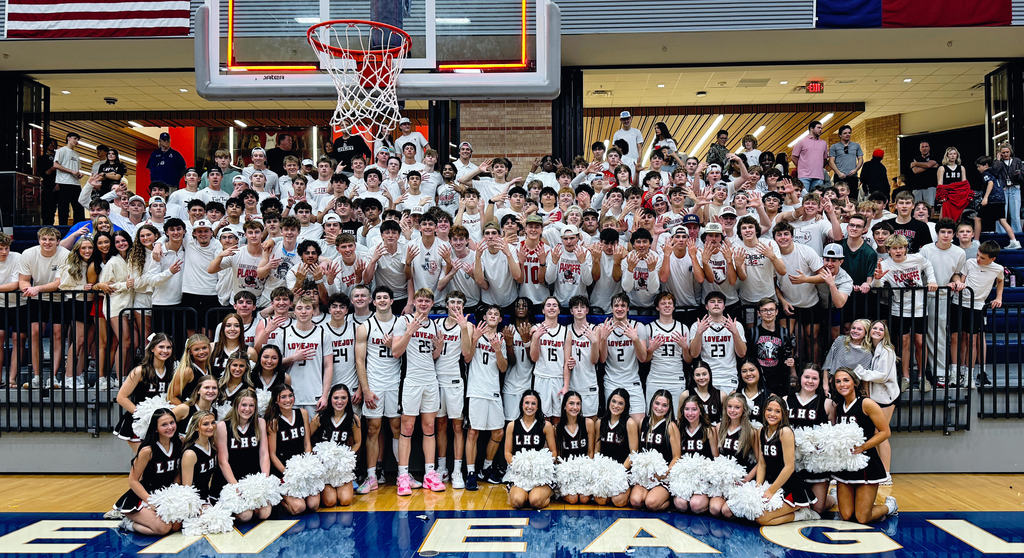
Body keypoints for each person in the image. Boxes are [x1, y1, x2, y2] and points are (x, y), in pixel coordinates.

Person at [391, 288, 445, 495]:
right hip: (411, 380)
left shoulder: (434, 324)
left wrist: (438, 348)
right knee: (408, 426)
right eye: (420, 300)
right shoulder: (403, 321)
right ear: (414, 303)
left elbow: (432, 357)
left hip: (430, 379)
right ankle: (403, 476)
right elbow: (396, 352)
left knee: (430, 425)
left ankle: (430, 474)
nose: (423, 304)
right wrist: (409, 332)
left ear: (432, 304)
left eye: (427, 301)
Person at [832, 368, 898, 523]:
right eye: (838, 381)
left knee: (862, 518)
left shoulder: (866, 403)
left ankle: (889, 506)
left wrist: (863, 447)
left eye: (846, 380)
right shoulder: (838, 407)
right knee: (847, 515)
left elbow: (885, 432)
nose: (842, 384)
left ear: (855, 382)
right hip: (845, 464)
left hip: (867, 463)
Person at [873, 234, 936, 391]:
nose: (898, 251)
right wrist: (877, 279)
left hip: (919, 308)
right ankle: (905, 377)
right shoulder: (886, 264)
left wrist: (932, 281)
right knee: (904, 343)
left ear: (906, 248)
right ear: (889, 250)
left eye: (901, 247)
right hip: (899, 310)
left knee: (921, 342)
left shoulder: (917, 259)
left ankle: (923, 377)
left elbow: (928, 265)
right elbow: (878, 286)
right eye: (894, 248)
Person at [355, 287, 402, 493]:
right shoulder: (365, 326)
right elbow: (359, 360)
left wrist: (395, 345)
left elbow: (408, 351)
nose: (382, 300)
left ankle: (403, 473)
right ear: (373, 302)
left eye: (386, 297)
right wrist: (365, 389)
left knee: (397, 428)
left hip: (396, 382)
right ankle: (372, 476)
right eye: (379, 298)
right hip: (374, 382)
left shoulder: (401, 323)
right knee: (373, 429)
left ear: (392, 300)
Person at [112, 408, 182, 535]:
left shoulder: (179, 444)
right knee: (163, 528)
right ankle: (128, 523)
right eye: (164, 425)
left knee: (176, 526)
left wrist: (176, 494)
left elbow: (177, 473)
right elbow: (133, 481)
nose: (170, 427)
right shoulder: (147, 450)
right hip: (144, 496)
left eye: (172, 422)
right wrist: (151, 501)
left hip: (165, 495)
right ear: (155, 428)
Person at [750, 396, 818, 525]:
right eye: (769, 410)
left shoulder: (785, 432)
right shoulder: (761, 431)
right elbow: (762, 464)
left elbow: (789, 467)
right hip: (771, 482)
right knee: (754, 513)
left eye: (777, 411)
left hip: (789, 486)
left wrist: (771, 491)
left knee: (762, 518)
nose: (772, 414)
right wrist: (758, 489)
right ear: (764, 411)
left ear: (783, 414)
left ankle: (803, 514)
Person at [463, 305, 508, 491]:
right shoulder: (475, 332)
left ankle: (486, 468)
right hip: (476, 389)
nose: (493, 316)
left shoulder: (501, 340)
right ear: (484, 316)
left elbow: (503, 368)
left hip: (493, 389)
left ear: (499, 320)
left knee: (498, 432)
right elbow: (467, 358)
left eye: (496, 314)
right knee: (473, 432)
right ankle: (471, 473)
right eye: (490, 313)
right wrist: (474, 340)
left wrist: (498, 349)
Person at [212, 390, 273, 522]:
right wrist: (237, 488)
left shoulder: (260, 422)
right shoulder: (223, 426)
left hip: (253, 479)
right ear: (236, 405)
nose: (247, 409)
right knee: (246, 516)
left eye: (251, 405)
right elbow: (223, 461)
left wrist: (264, 481)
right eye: (243, 405)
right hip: (232, 481)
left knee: (264, 513)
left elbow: (264, 454)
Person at [950, 240, 1004, 388]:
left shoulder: (997, 269)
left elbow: (1000, 281)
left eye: (983, 258)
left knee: (972, 340)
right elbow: (962, 280)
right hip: (959, 303)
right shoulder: (970, 263)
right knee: (955, 337)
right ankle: (955, 372)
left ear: (992, 259)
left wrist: (999, 297)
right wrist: (959, 285)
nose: (978, 259)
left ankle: (969, 375)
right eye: (978, 255)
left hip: (977, 306)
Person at [786, 364, 836, 515]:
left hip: (817, 463)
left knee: (818, 509)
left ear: (820, 381)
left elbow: (831, 434)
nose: (810, 381)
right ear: (800, 378)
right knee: (798, 504)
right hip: (793, 462)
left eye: (814, 378)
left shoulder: (827, 403)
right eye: (806, 377)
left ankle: (832, 498)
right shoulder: (786, 400)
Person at [433, 291, 470, 488]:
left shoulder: (468, 325)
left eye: (459, 302)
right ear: (446, 305)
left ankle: (457, 470)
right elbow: (431, 354)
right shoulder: (436, 325)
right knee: (440, 425)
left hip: (456, 379)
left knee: (457, 426)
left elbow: (466, 355)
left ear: (463, 306)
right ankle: (441, 468)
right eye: (452, 301)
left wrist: (464, 329)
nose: (455, 305)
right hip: (437, 379)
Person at [265, 384, 319, 515]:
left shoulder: (302, 413)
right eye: (283, 397)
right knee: (299, 507)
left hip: (302, 469)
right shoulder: (273, 421)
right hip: (284, 471)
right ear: (276, 401)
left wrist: (308, 466)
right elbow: (272, 454)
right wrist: (288, 474)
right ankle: (278, 500)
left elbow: (307, 443)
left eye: (290, 396)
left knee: (313, 505)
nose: (288, 400)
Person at [114, 334, 174, 452]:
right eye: (161, 347)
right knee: (143, 462)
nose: (165, 351)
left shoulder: (171, 371)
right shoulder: (140, 371)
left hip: (162, 422)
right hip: (139, 422)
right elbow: (121, 397)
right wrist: (144, 415)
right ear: (152, 349)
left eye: (168, 347)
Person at [599, 293, 649, 421]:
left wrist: (635, 339)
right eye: (616, 305)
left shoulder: (638, 327)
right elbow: (602, 359)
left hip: (632, 381)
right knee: (614, 423)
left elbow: (643, 358)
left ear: (628, 308)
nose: (619, 308)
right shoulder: (603, 327)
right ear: (611, 308)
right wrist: (604, 339)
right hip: (612, 381)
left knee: (639, 422)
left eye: (623, 305)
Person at [311, 383, 361, 507]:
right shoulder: (320, 418)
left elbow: (358, 442)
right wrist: (315, 455)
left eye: (343, 398)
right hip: (324, 468)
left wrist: (346, 457)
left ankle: (348, 484)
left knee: (345, 501)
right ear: (330, 399)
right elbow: (307, 438)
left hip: (341, 468)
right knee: (330, 502)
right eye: (336, 398)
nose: (339, 401)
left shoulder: (353, 419)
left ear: (348, 399)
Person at [710, 394, 758, 518]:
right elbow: (716, 457)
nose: (732, 410)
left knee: (726, 511)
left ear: (744, 410)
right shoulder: (719, 427)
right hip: (723, 481)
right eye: (729, 406)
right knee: (715, 509)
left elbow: (761, 461)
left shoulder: (751, 432)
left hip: (740, 481)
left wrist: (747, 478)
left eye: (737, 407)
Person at [688, 292, 746, 392]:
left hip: (728, 376)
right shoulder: (697, 326)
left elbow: (742, 353)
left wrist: (735, 332)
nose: (716, 304)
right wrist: (699, 333)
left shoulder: (736, 325)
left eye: (719, 302)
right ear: (706, 306)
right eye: (712, 302)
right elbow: (694, 354)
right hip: (706, 377)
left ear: (724, 306)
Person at [631, 389, 679, 512]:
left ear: (669, 407)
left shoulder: (671, 426)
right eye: (657, 403)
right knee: (636, 501)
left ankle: (670, 502)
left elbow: (677, 456)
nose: (659, 408)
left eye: (664, 405)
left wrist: (664, 474)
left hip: (662, 477)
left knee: (651, 503)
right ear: (652, 403)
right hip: (645, 475)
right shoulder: (643, 421)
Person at [643, 291, 689, 407]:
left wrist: (684, 347)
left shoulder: (683, 328)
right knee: (653, 416)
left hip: (676, 378)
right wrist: (651, 350)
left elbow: (688, 360)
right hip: (656, 378)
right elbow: (645, 360)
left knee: (676, 416)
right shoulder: (649, 328)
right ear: (657, 307)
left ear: (674, 307)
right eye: (663, 303)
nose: (667, 305)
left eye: (670, 303)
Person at [530, 297, 569, 419]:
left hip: (558, 377)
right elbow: (533, 358)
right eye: (548, 305)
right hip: (542, 377)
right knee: (543, 417)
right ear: (543, 310)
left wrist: (566, 385)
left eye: (554, 305)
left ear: (559, 310)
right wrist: (536, 338)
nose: (551, 307)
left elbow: (567, 361)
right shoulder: (536, 329)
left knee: (558, 417)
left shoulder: (566, 331)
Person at [555, 391, 596, 504]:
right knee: (572, 500)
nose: (575, 407)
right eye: (571, 403)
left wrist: (586, 472)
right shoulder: (557, 428)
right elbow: (558, 455)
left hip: (584, 471)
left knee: (584, 499)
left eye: (578, 404)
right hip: (567, 473)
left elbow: (590, 452)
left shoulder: (588, 423)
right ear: (564, 406)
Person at [749, 298, 796, 396]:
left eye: (771, 310)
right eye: (764, 310)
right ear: (759, 313)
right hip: (759, 379)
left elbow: (788, 355)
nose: (768, 313)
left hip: (779, 379)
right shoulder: (753, 332)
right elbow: (749, 356)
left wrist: (790, 363)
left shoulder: (784, 333)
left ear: (776, 312)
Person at [566, 295, 601, 417]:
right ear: (571, 311)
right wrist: (569, 361)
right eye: (576, 307)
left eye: (582, 307)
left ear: (587, 310)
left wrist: (595, 342)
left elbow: (595, 360)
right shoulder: (567, 330)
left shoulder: (595, 329)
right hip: (572, 382)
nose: (579, 310)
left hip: (589, 381)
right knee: (572, 420)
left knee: (592, 419)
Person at [180, 410, 218, 505]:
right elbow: (187, 489)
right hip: (194, 501)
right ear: (196, 427)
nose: (211, 426)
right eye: (205, 424)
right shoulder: (190, 454)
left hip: (207, 497)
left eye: (213, 422)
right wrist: (199, 506)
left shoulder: (212, 446)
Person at [53, 132, 85, 225]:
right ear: (68, 138)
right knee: (64, 208)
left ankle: (79, 228)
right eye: (74, 138)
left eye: (77, 139)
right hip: (64, 182)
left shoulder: (76, 154)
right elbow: (55, 165)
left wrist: (79, 174)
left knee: (79, 207)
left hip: (75, 183)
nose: (76, 141)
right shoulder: (61, 150)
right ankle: (63, 228)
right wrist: (71, 171)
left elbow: (76, 169)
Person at [681, 360, 724, 425]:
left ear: (710, 374)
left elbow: (725, 420)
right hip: (693, 433)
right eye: (698, 375)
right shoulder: (686, 395)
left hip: (714, 433)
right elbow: (680, 419)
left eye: (704, 374)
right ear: (693, 377)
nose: (701, 378)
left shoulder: (721, 395)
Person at [791, 120, 828, 192]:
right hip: (804, 176)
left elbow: (825, 159)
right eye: (818, 128)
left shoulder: (824, 143)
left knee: (817, 198)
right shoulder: (802, 141)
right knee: (803, 197)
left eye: (821, 128)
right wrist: (801, 167)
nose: (821, 130)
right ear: (811, 128)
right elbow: (794, 157)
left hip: (819, 176)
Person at [997, 142, 1024, 234]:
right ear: (1000, 153)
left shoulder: (1017, 161)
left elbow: (1022, 176)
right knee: (1001, 213)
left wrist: (1018, 174)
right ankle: (1000, 234)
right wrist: (997, 160)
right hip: (1002, 189)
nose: (1005, 154)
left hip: (1015, 188)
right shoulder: (998, 162)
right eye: (1003, 152)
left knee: (1015, 214)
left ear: (1010, 152)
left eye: (1007, 152)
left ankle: (1017, 234)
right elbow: (995, 173)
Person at [828, 125, 864, 194]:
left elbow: (860, 159)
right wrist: (838, 173)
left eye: (849, 133)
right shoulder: (834, 146)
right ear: (840, 135)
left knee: (853, 197)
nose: (847, 135)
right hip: (839, 177)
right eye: (845, 133)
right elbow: (831, 161)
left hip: (853, 176)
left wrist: (855, 170)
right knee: (838, 196)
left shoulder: (856, 145)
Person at [909, 140, 939, 206]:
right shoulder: (915, 158)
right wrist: (929, 166)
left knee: (930, 206)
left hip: (930, 186)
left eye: (926, 146)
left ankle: (930, 217)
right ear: (920, 149)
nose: (924, 148)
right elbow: (915, 171)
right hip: (917, 187)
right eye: (922, 147)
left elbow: (928, 165)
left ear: (929, 148)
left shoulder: (934, 156)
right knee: (916, 207)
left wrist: (916, 163)